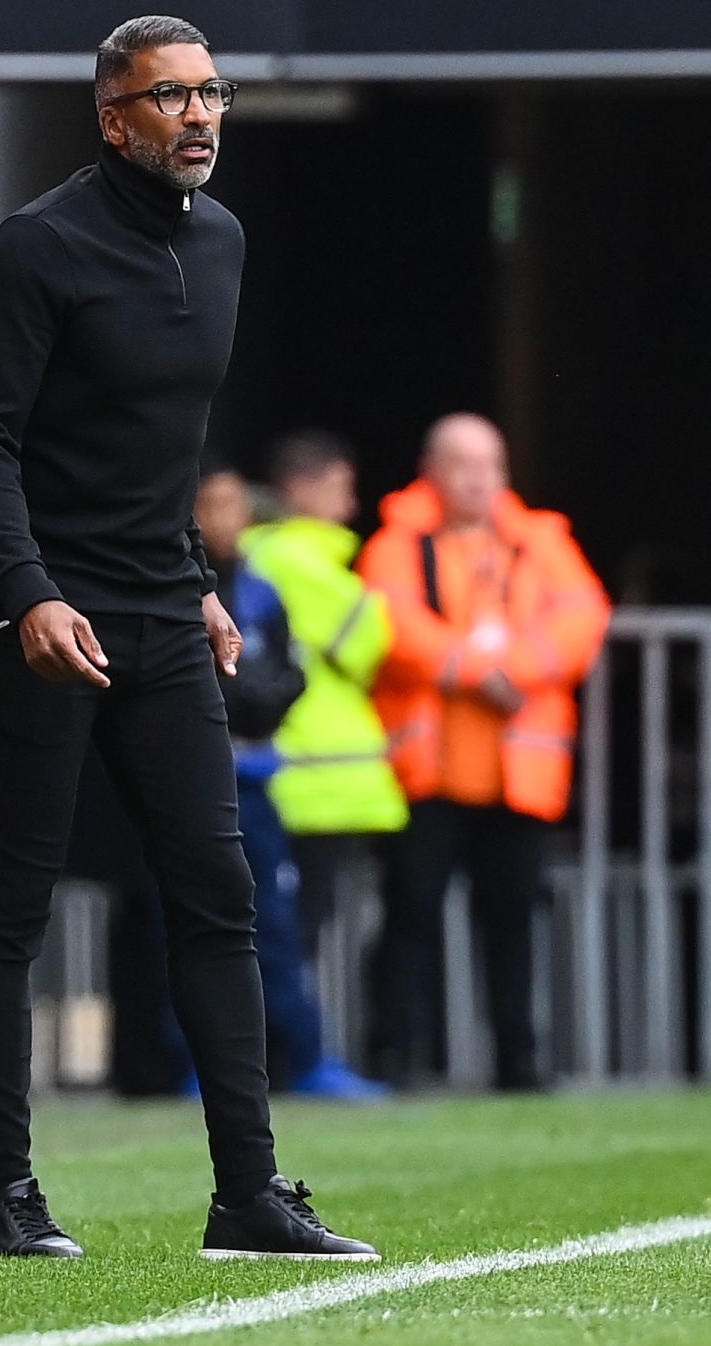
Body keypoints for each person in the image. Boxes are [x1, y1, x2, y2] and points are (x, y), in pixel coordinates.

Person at [0, 13, 374, 1261]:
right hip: (34, 609)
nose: (198, 116)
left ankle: (249, 1194)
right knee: (14, 903)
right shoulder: (37, 248)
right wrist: (29, 593)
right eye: (170, 97)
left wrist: (192, 576)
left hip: (153, 602)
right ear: (112, 116)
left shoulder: (224, 243)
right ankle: (5, 1202)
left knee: (219, 891)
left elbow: (163, 449)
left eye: (212, 93)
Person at [359, 414, 608, 1091]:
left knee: (514, 921)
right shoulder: (397, 542)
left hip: (516, 775)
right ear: (430, 469)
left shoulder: (541, 540)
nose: (478, 478)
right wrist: (473, 669)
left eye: (490, 464)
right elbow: (392, 621)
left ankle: (518, 1061)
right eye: (463, 463)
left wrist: (519, 667)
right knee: (409, 915)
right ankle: (395, 1055)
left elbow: (585, 612)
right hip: (427, 772)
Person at [197, 458, 388, 1103]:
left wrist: (256, 696)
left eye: (233, 504)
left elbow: (284, 675)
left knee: (274, 929)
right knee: (196, 928)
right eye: (211, 504)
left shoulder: (261, 588)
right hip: (193, 783)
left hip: (256, 780)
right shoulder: (180, 585)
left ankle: (300, 1061)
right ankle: (192, 1069)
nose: (226, 519)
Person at [240, 430, 408, 1022]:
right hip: (314, 777)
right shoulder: (298, 558)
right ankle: (285, 1057)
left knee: (279, 930)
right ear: (298, 488)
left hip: (290, 770)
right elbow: (371, 637)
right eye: (338, 487)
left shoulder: (262, 556)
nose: (350, 504)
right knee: (293, 934)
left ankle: (280, 1055)